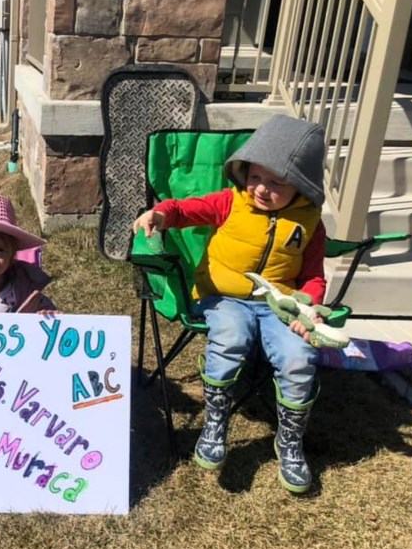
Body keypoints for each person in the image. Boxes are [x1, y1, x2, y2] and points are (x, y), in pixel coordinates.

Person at [132, 114, 327, 494]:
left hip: (279, 303)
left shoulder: (310, 223)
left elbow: (314, 275)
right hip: (222, 297)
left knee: (299, 357)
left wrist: (309, 306)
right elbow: (187, 210)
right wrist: (160, 213)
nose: (261, 189)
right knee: (232, 336)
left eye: (276, 183)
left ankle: (289, 443)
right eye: (255, 177)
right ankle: (215, 424)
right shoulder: (230, 202)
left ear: (301, 185)